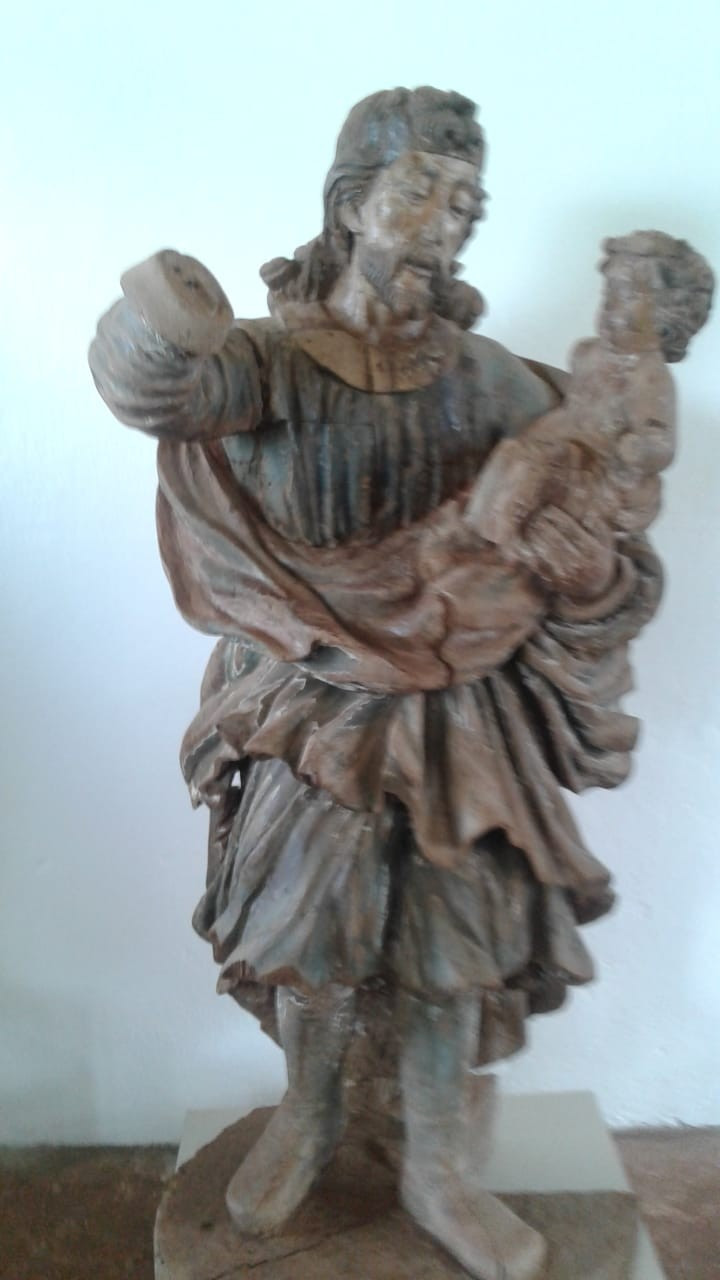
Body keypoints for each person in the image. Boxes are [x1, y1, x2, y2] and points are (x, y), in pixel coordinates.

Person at [89, 88, 670, 1280]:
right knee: (312, 928)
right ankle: (307, 1115)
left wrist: (590, 568)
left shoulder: (503, 387)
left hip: (465, 719)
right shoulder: (265, 367)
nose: (448, 219)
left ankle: (438, 1164)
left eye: (468, 202)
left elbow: (604, 555)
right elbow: (156, 392)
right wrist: (161, 318)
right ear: (350, 204)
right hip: (315, 707)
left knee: (457, 935)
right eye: (421, 190)